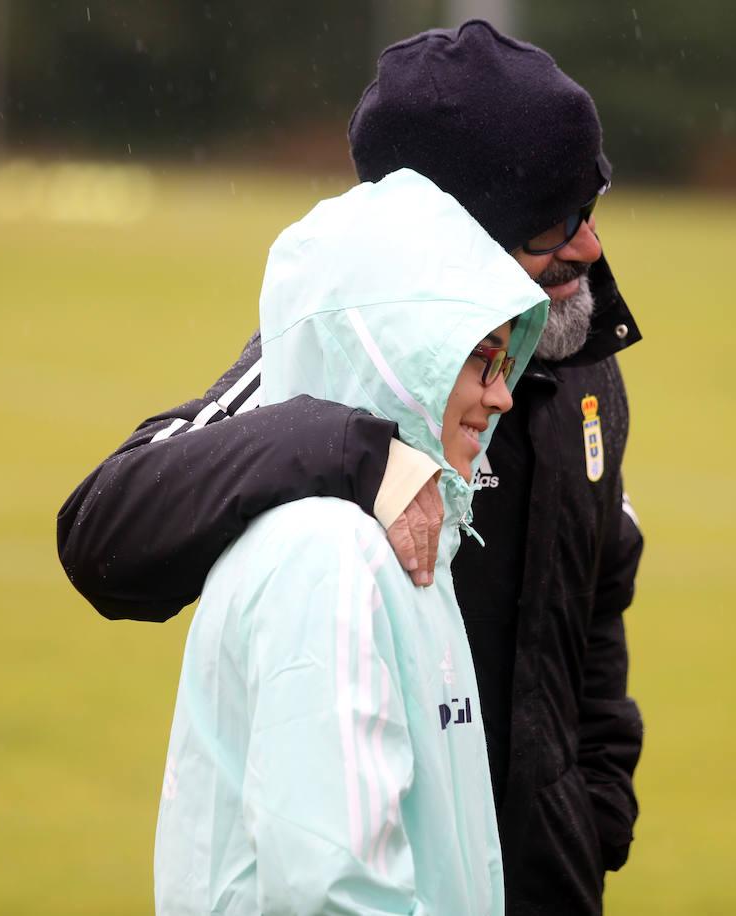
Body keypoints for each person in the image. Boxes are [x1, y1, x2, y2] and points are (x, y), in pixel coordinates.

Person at [58, 20, 644, 915]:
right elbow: (102, 531)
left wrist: (594, 810)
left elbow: (601, 590)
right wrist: (354, 449)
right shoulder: (334, 364)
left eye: (593, 204)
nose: (591, 248)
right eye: (556, 221)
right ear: (452, 238)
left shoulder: (583, 371)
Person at [154, 168, 548, 915]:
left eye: (507, 362)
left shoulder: (399, 535)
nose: (503, 395)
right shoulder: (327, 554)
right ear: (396, 358)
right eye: (479, 358)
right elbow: (331, 891)